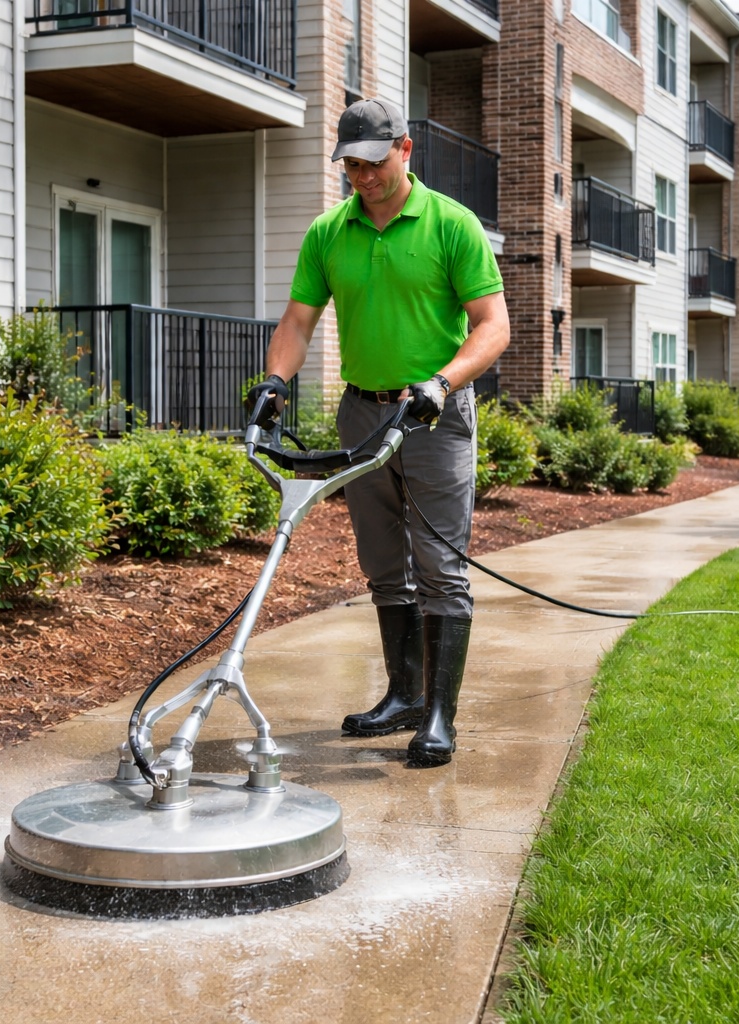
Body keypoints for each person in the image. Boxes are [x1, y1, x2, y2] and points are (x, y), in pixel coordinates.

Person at [246, 98, 509, 767]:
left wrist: (441, 383)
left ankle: (439, 716)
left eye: (371, 162)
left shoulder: (453, 225)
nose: (360, 176)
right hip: (362, 414)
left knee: (441, 568)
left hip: (435, 416)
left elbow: (492, 326)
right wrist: (275, 383)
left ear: (405, 149)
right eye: (350, 165)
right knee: (384, 565)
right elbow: (299, 321)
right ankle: (403, 695)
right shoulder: (329, 233)